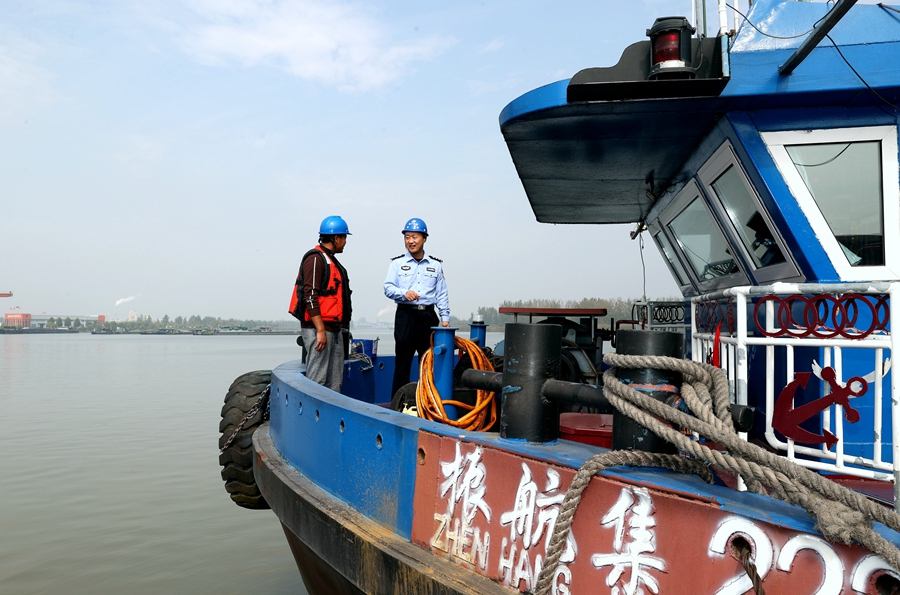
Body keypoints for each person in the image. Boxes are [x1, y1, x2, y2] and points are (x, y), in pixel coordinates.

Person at [384, 217, 450, 399]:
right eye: (407, 237)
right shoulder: (397, 264)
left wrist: (445, 319)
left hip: (428, 317)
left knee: (428, 363)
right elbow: (388, 288)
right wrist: (404, 293)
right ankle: (398, 405)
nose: (410, 241)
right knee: (402, 364)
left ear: (424, 238)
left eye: (414, 237)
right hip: (405, 316)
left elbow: (442, 294)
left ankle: (427, 404)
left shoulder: (435, 265)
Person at [288, 215, 352, 392]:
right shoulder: (316, 259)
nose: (345, 242)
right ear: (336, 238)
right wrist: (321, 331)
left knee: (334, 383)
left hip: (334, 329)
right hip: (319, 329)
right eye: (344, 237)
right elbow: (310, 296)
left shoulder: (331, 259)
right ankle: (312, 418)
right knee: (317, 381)